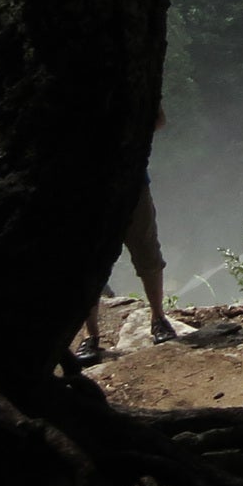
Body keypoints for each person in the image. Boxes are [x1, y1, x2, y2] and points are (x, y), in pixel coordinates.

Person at [75, 105, 178, 362]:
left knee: (146, 251)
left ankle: (158, 318)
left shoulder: (128, 80)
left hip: (131, 182)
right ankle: (91, 337)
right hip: (87, 187)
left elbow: (159, 119)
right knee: (88, 262)